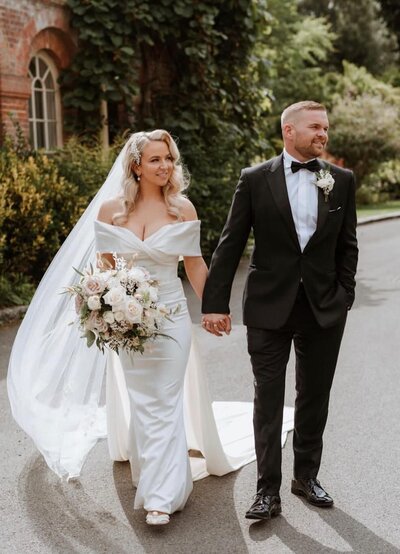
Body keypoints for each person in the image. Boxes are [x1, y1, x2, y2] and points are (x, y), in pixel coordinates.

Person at [7, 129, 294, 527]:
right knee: (147, 402)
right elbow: (105, 270)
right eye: (156, 159)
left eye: (170, 159)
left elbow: (193, 265)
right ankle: (155, 473)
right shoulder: (111, 211)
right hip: (126, 323)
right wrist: (102, 308)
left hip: (172, 318)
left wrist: (214, 308)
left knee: (163, 399)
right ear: (136, 166)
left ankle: (163, 497)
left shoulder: (183, 209)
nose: (165, 166)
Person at [201, 101, 358, 520]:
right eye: (314, 128)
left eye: (325, 127)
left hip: (324, 309)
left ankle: (306, 477)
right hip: (269, 307)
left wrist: (345, 296)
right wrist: (215, 303)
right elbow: (230, 241)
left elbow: (348, 245)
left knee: (314, 396)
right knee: (267, 398)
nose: (323, 134)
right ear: (289, 131)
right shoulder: (255, 179)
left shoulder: (340, 179)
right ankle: (266, 491)